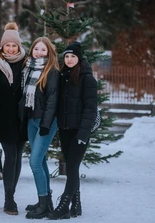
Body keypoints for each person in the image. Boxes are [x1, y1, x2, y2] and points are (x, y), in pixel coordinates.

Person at [47, 41, 97, 220]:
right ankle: (76, 205)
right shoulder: (62, 76)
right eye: (67, 56)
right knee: (71, 166)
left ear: (79, 58)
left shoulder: (87, 79)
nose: (69, 59)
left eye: (72, 56)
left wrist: (83, 133)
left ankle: (64, 205)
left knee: (73, 166)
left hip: (79, 131)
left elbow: (91, 109)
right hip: (65, 130)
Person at [20, 37, 59, 219]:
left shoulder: (52, 72)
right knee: (40, 161)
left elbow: (52, 100)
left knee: (34, 162)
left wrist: (45, 124)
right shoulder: (29, 69)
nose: (39, 53)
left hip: (46, 122)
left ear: (49, 52)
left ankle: (43, 204)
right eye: (37, 49)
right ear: (32, 51)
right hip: (32, 120)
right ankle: (45, 200)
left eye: (43, 50)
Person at [0, 22, 27, 215]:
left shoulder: (27, 62)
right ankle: (9, 199)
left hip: (22, 117)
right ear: (2, 46)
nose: (11, 49)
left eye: (14, 45)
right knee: (10, 155)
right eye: (7, 46)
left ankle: (11, 193)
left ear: (18, 46)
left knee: (18, 156)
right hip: (2, 117)